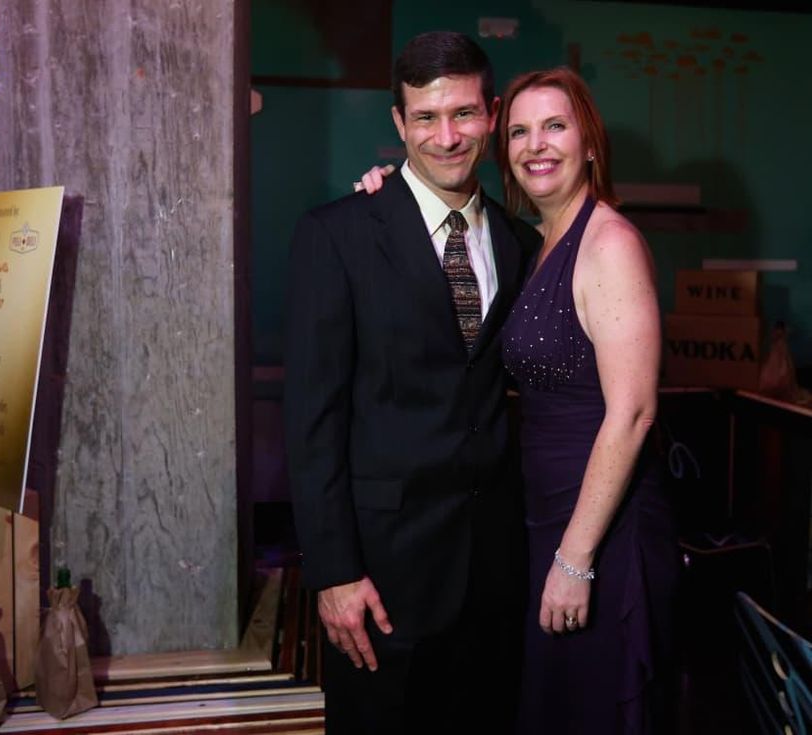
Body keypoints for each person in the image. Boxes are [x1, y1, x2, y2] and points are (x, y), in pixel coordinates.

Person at [361, 67, 678, 733]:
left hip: (601, 533)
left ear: (590, 142)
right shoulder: (536, 243)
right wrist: (388, 197)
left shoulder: (610, 243)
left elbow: (633, 411)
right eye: (520, 131)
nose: (537, 144)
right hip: (546, 523)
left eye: (555, 126)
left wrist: (576, 557)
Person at [284, 32, 540, 733]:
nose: (446, 136)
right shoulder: (336, 235)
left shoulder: (521, 245)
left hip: (493, 572)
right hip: (380, 576)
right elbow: (312, 420)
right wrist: (333, 572)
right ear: (398, 123)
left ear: (490, 114)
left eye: (462, 113)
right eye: (425, 117)